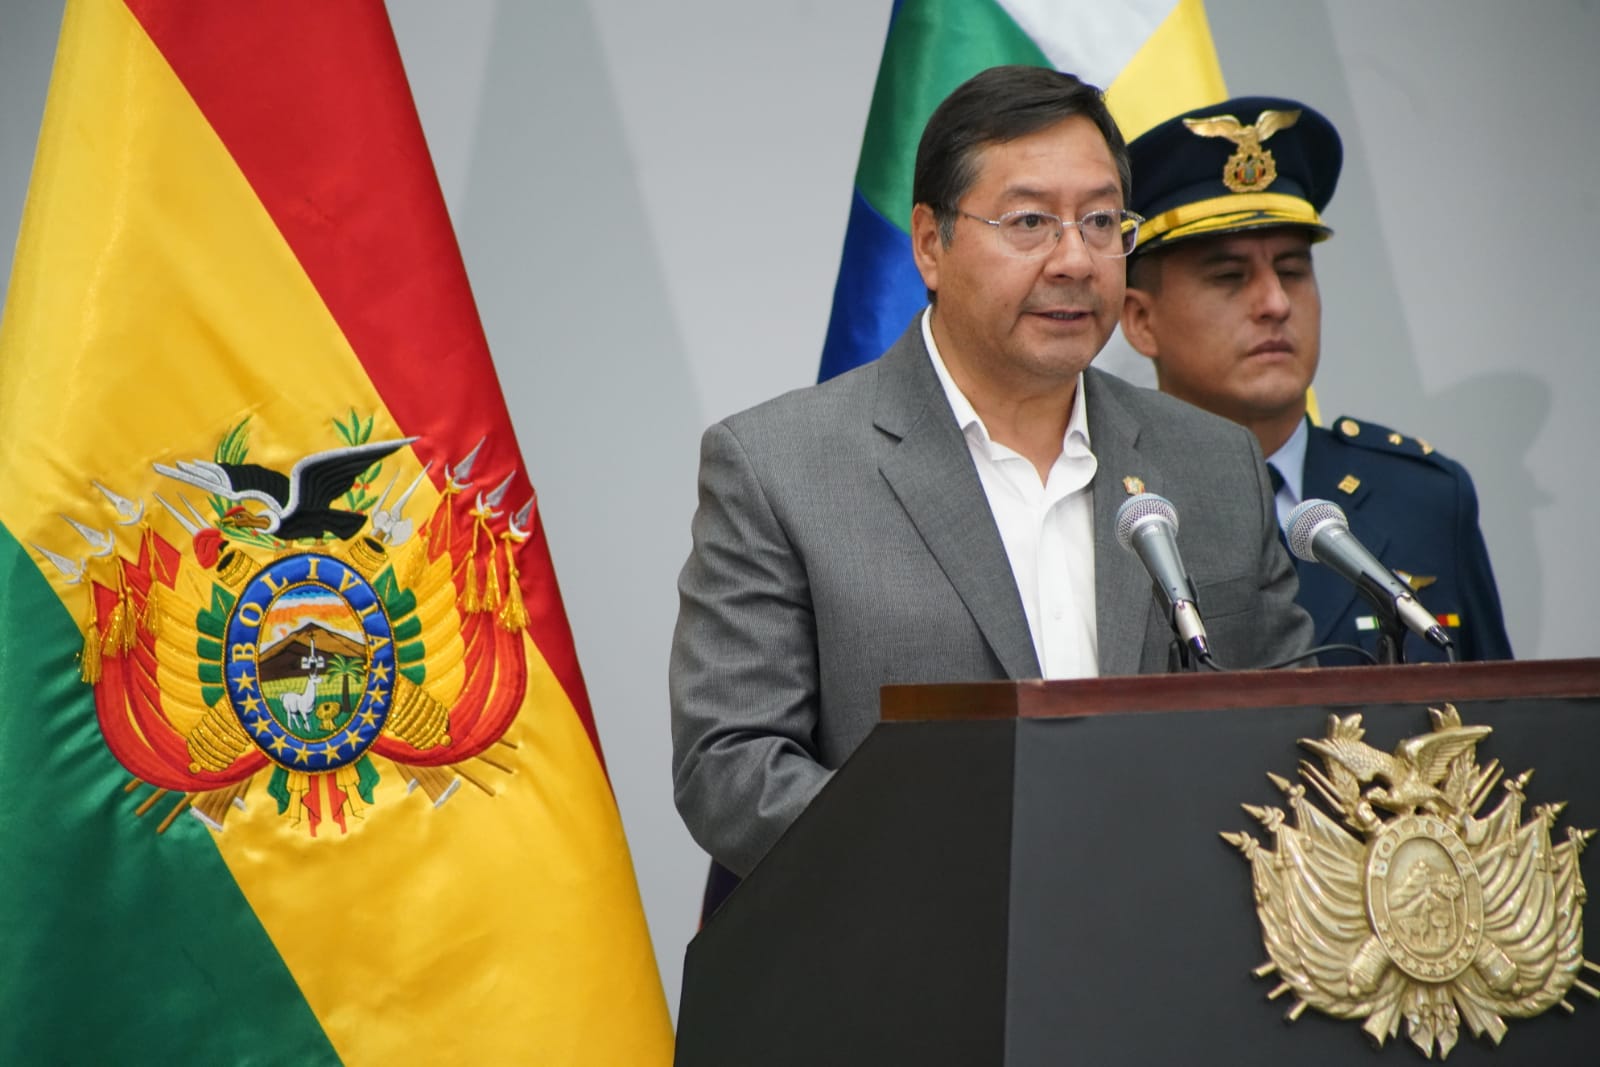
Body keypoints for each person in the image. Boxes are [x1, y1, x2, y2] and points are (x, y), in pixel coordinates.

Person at [671, 66, 1314, 887]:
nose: (1075, 258)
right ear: (930, 244)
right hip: (915, 945)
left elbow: (1295, 729)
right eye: (1030, 221)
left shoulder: (1213, 462)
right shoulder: (781, 467)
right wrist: (973, 868)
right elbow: (731, 766)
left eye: (1101, 221)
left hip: (1171, 933)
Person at [1119, 95, 1512, 665]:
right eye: (1229, 276)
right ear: (1140, 320)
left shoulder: (1421, 497)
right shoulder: (1122, 512)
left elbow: (1494, 708)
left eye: (1292, 270)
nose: (1275, 303)